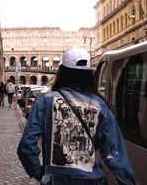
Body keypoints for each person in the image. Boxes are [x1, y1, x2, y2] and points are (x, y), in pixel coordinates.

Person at [17, 47, 136, 185]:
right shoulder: (100, 107)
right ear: (89, 75)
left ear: (62, 72)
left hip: (56, 180)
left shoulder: (45, 102)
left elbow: (27, 145)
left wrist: (39, 172)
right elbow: (116, 156)